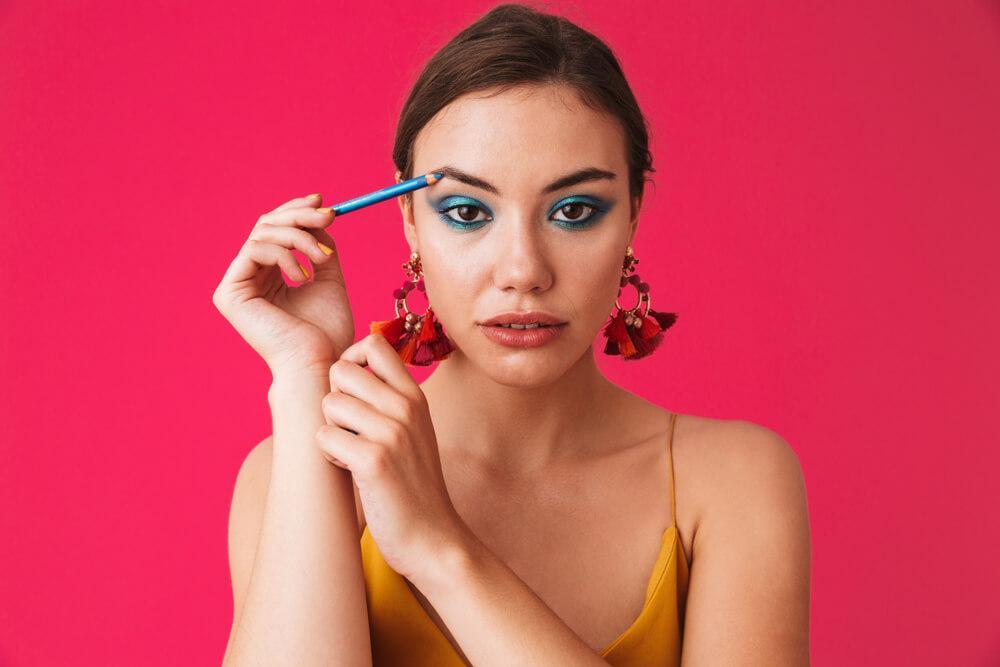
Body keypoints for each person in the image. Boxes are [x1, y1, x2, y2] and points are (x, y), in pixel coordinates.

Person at [212, 4, 811, 665]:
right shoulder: (294, 471)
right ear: (410, 217)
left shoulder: (730, 481)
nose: (524, 269)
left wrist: (442, 548)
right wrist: (304, 379)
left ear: (634, 209)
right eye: (468, 212)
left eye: (574, 210)